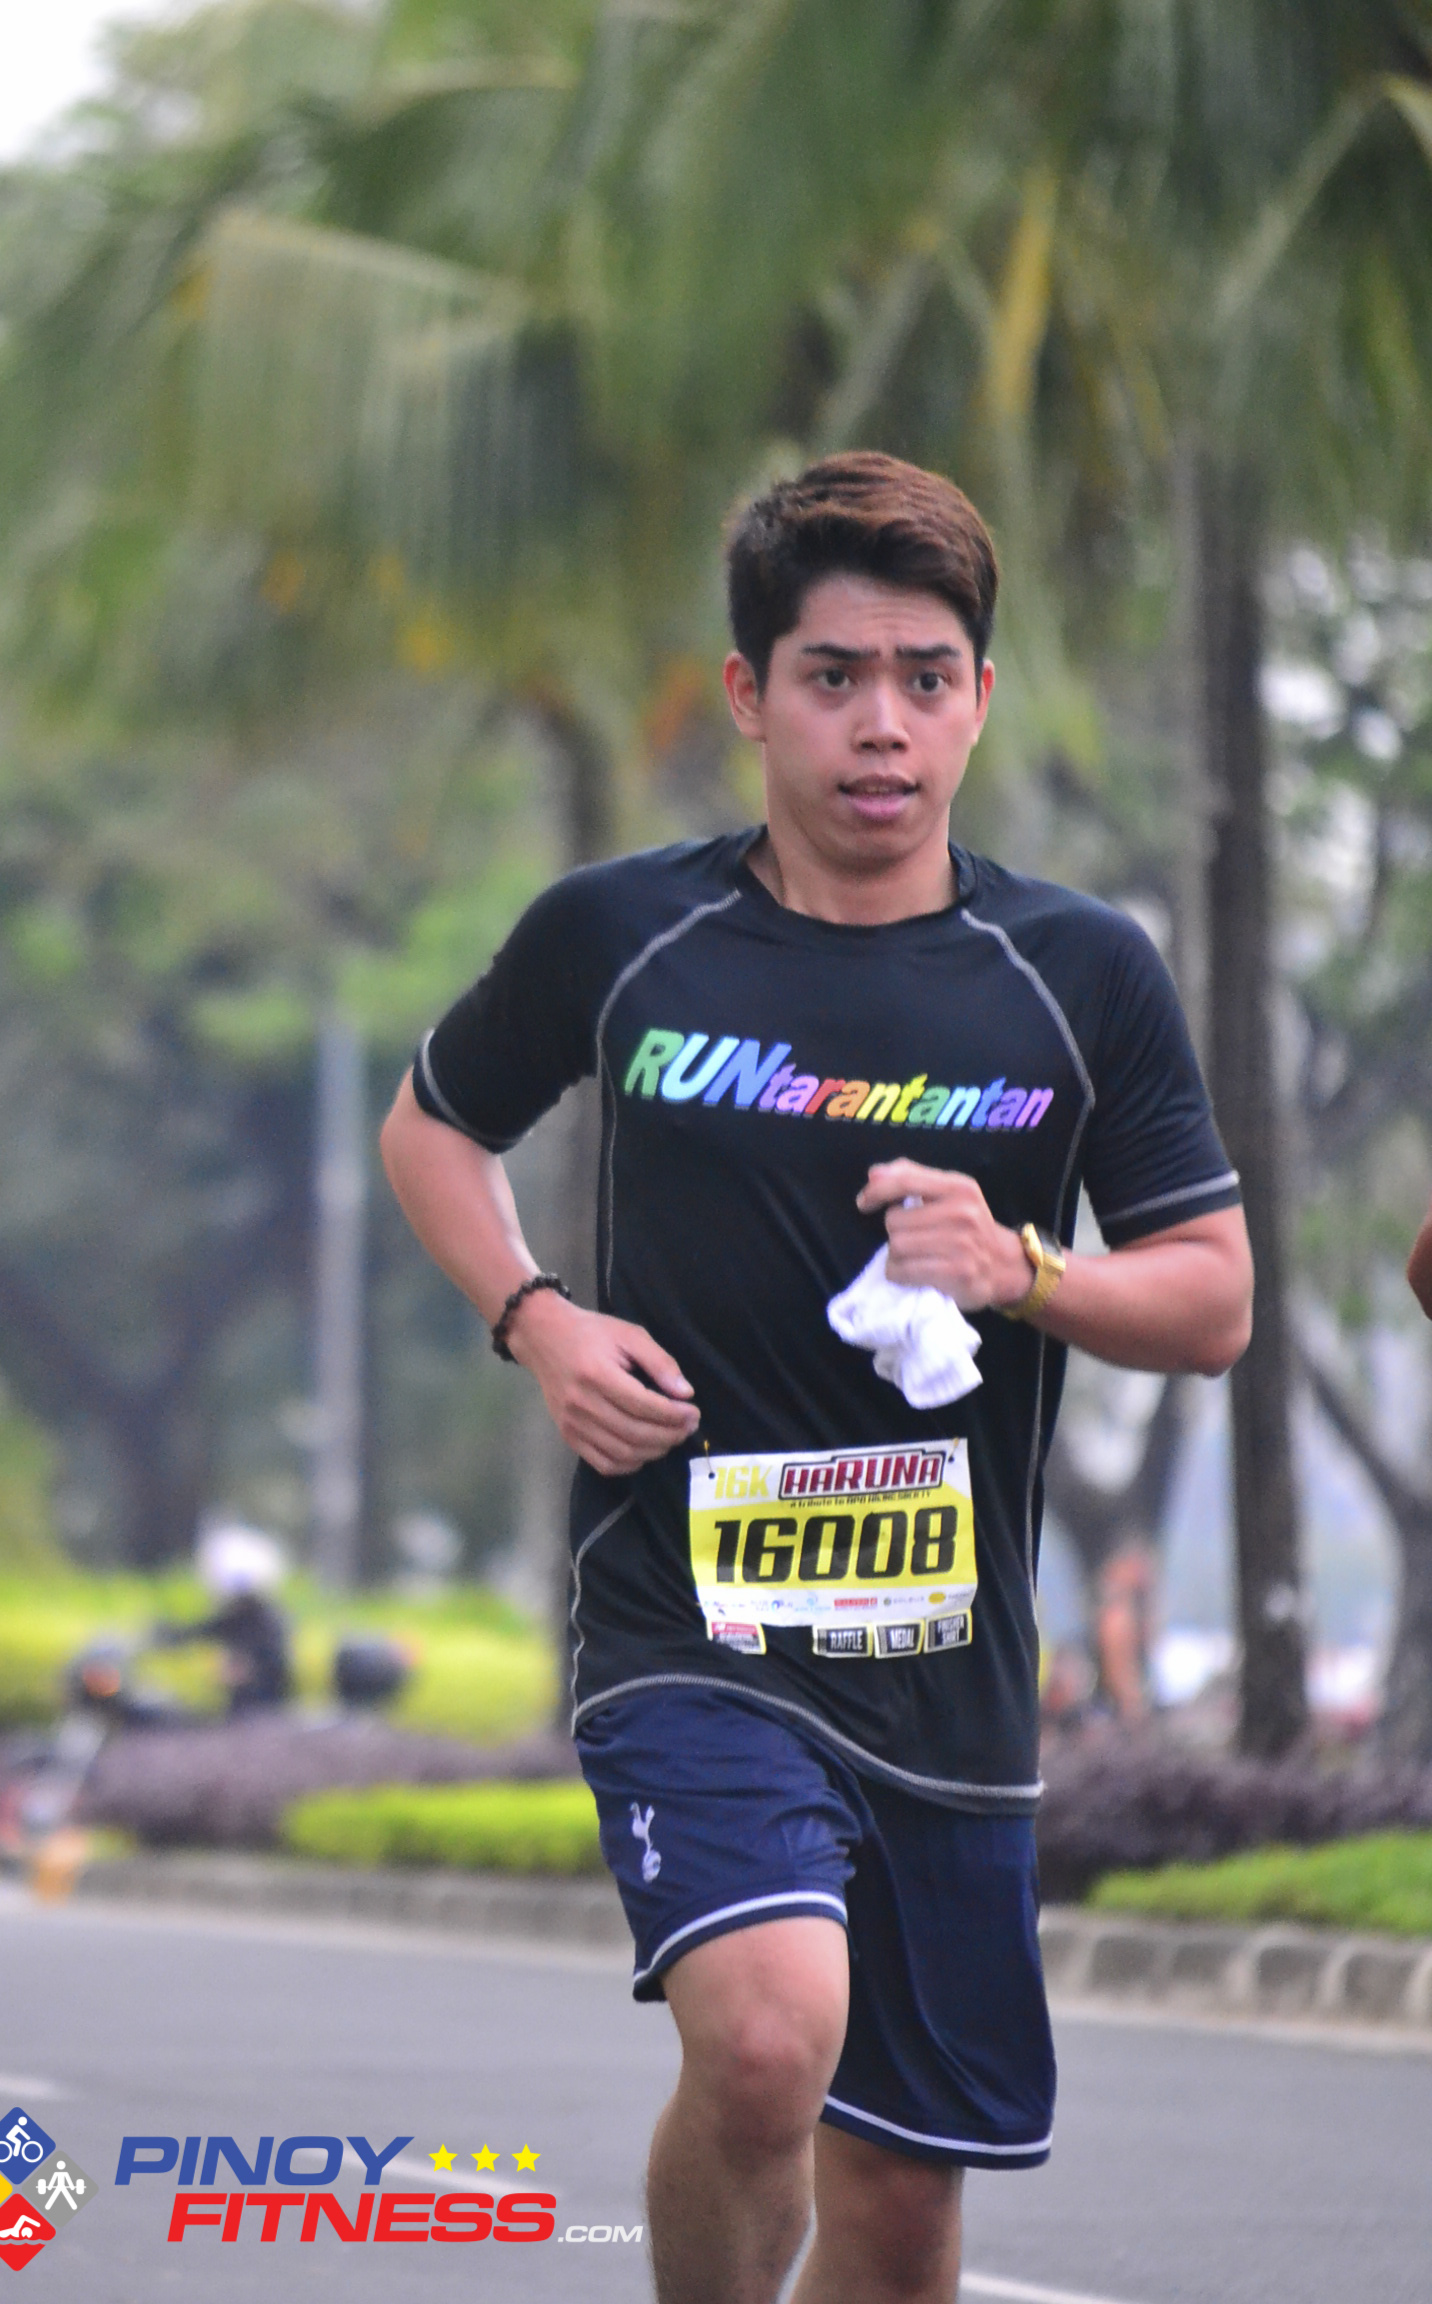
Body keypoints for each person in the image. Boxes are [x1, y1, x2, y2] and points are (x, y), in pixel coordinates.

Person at [379, 453, 1253, 2304]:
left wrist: (1023, 1267)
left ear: (981, 700)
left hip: (945, 1660)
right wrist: (537, 1317)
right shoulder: (622, 934)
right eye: (834, 675)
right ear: (747, 693)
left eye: (925, 679)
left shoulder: (1078, 972)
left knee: (903, 2209)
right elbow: (432, 1126)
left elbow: (1212, 1300)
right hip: (688, 1618)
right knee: (770, 2041)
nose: (882, 725)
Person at [153, 1521, 293, 1715]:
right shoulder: (235, 1619)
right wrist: (165, 1635)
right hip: (238, 1710)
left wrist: (244, 1670)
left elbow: (273, 1665)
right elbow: (200, 1631)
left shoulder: (269, 1623)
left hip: (265, 1709)